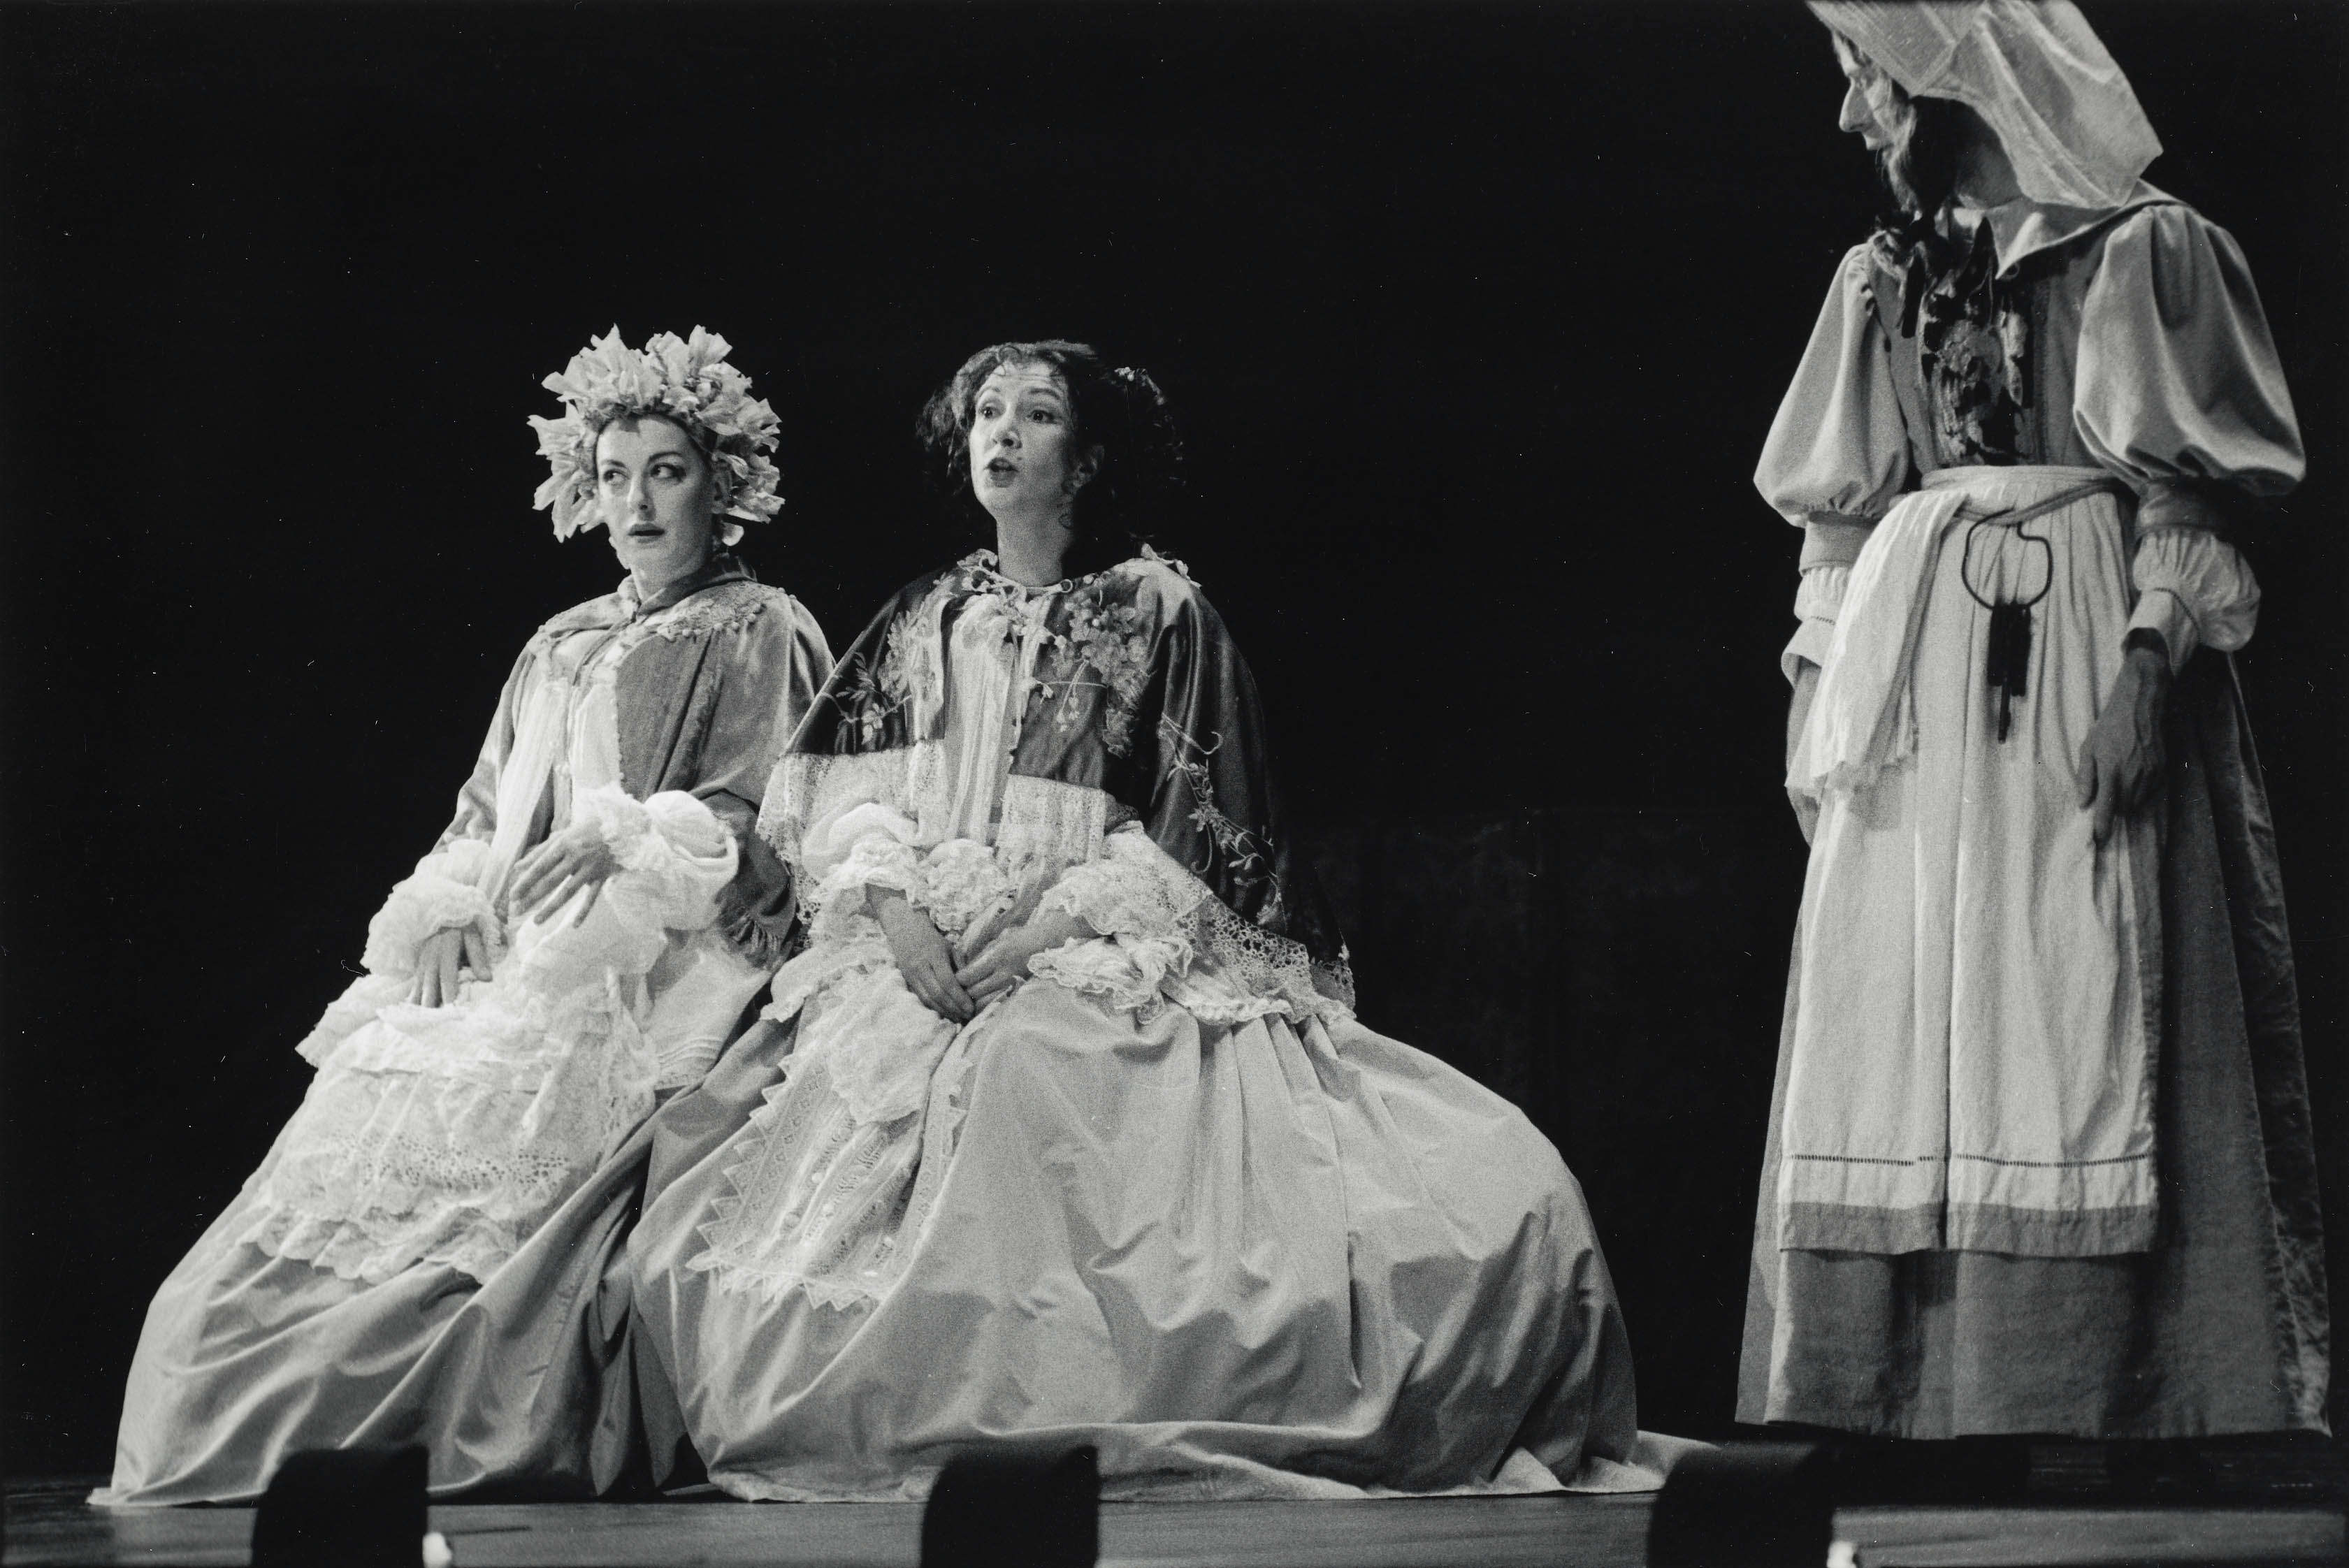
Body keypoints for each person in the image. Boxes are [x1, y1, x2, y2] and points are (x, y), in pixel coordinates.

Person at [627, 340, 1647, 1500]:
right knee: (772, 1135)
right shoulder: (925, 613)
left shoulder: (1160, 609)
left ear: (1086, 459)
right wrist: (899, 914)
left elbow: (1196, 827)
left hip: (1094, 935)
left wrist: (1049, 928)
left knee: (1035, 1075)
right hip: (921, 938)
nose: (1002, 432)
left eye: (1037, 414)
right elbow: (852, 800)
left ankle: (1051, 1402)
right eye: (987, 412)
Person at [97, 328, 834, 1503]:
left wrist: (628, 833)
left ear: (723, 483)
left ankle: (432, 1411)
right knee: (375, 1128)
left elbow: (768, 814)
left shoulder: (760, 625)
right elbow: (487, 808)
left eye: (666, 472)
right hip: (527, 937)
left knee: (532, 1177)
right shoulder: (559, 641)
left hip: (665, 944)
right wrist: (445, 908)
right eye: (613, 476)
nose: (637, 502)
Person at [1744, 2, 2328, 1442]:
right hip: (1916, 686)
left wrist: (2145, 668)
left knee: (2087, 982)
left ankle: (2120, 1385)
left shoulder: (2141, 252)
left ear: (1957, 84)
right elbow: (1839, 515)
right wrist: (1816, 691)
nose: (1853, 116)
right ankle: (1902, 1391)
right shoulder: (1882, 276)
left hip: (2081, 648)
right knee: (1902, 1003)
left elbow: (2189, 490)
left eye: (1872, 82)